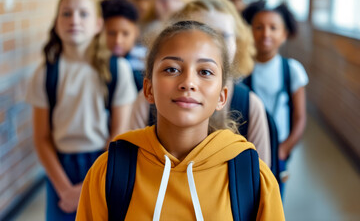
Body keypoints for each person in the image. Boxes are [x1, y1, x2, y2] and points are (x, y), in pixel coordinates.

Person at [76, 20, 284, 220]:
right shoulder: (108, 171)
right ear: (148, 89)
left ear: (222, 97)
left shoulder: (252, 176)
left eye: (205, 72)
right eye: (172, 69)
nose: (188, 83)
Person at [26, 0, 137, 220]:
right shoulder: (45, 73)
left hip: (104, 163)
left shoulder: (117, 69)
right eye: (66, 13)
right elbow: (41, 137)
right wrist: (65, 189)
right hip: (60, 169)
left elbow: (118, 135)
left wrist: (89, 185)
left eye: (83, 14)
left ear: (98, 25)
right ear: (56, 23)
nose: (74, 20)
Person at [130, 0, 272, 167]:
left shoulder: (250, 105)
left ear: (238, 42)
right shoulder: (147, 101)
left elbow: (259, 178)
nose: (212, 43)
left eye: (224, 35)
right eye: (202, 30)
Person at [242, 0, 308, 196]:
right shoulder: (241, 70)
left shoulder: (292, 70)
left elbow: (300, 117)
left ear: (285, 34)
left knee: (274, 199)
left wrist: (284, 149)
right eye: (259, 27)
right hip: (246, 148)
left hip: (278, 148)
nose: (266, 34)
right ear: (249, 31)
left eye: (273, 28)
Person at [101, 0, 146, 91]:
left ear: (136, 32)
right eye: (111, 33)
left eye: (125, 33)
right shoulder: (97, 64)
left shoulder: (145, 62)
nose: (118, 40)